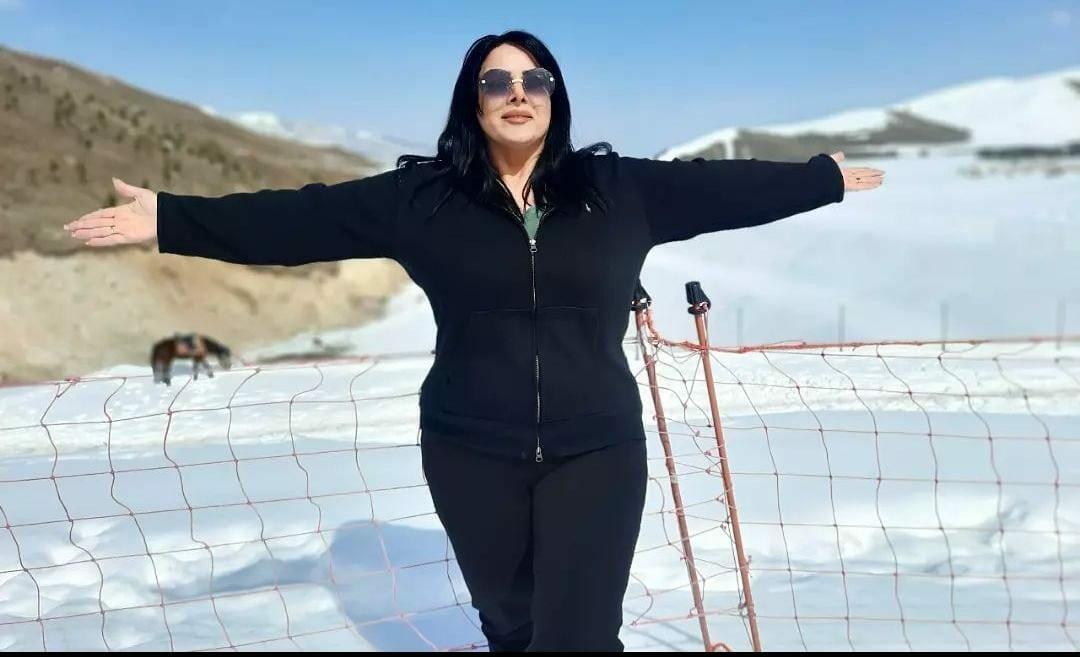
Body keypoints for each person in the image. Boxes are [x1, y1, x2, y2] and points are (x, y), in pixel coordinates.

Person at [64, 30, 883, 652]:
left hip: (596, 447)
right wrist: (170, 218)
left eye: (534, 79)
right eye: (497, 81)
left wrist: (821, 178)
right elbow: (300, 217)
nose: (516, 92)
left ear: (556, 96)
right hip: (469, 450)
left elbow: (728, 187)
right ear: (473, 100)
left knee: (579, 633)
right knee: (510, 621)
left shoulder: (619, 189)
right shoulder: (422, 200)